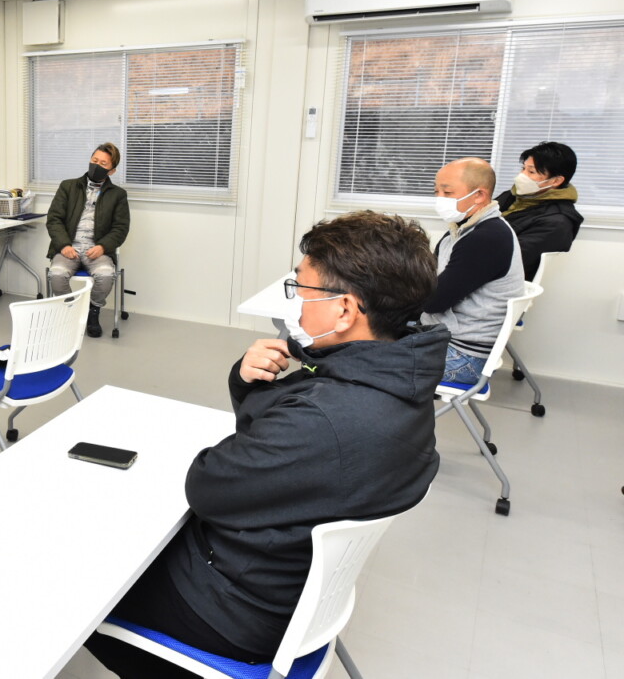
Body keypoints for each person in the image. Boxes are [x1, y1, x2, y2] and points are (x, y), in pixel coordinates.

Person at [85, 211, 444, 675]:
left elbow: (207, 486)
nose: (296, 303)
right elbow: (279, 439)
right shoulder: (400, 380)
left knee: (85, 564)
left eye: (302, 288)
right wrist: (248, 380)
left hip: (231, 612)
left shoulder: (324, 418)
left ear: (344, 309)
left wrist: (260, 407)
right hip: (286, 586)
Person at [421, 157, 524, 386]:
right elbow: (429, 276)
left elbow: (433, 301)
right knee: (371, 336)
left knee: (367, 359)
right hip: (447, 338)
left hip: (464, 356)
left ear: (479, 195)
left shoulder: (486, 238)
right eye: (437, 192)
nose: (440, 199)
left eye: (447, 192)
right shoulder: (462, 230)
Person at [46, 142, 130, 337]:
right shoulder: (68, 186)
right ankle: (72, 312)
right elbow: (54, 219)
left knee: (106, 275)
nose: (96, 166)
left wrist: (103, 247)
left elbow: (120, 228)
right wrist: (64, 245)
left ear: (112, 170)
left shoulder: (118, 195)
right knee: (56, 274)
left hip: (97, 250)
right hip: (69, 248)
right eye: (94, 160)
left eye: (103, 164)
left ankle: (93, 312)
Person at [495, 141, 582, 281]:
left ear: (556, 181)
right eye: (523, 169)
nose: (521, 176)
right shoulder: (514, 196)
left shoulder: (557, 222)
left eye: (531, 172)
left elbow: (509, 260)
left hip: (502, 282)